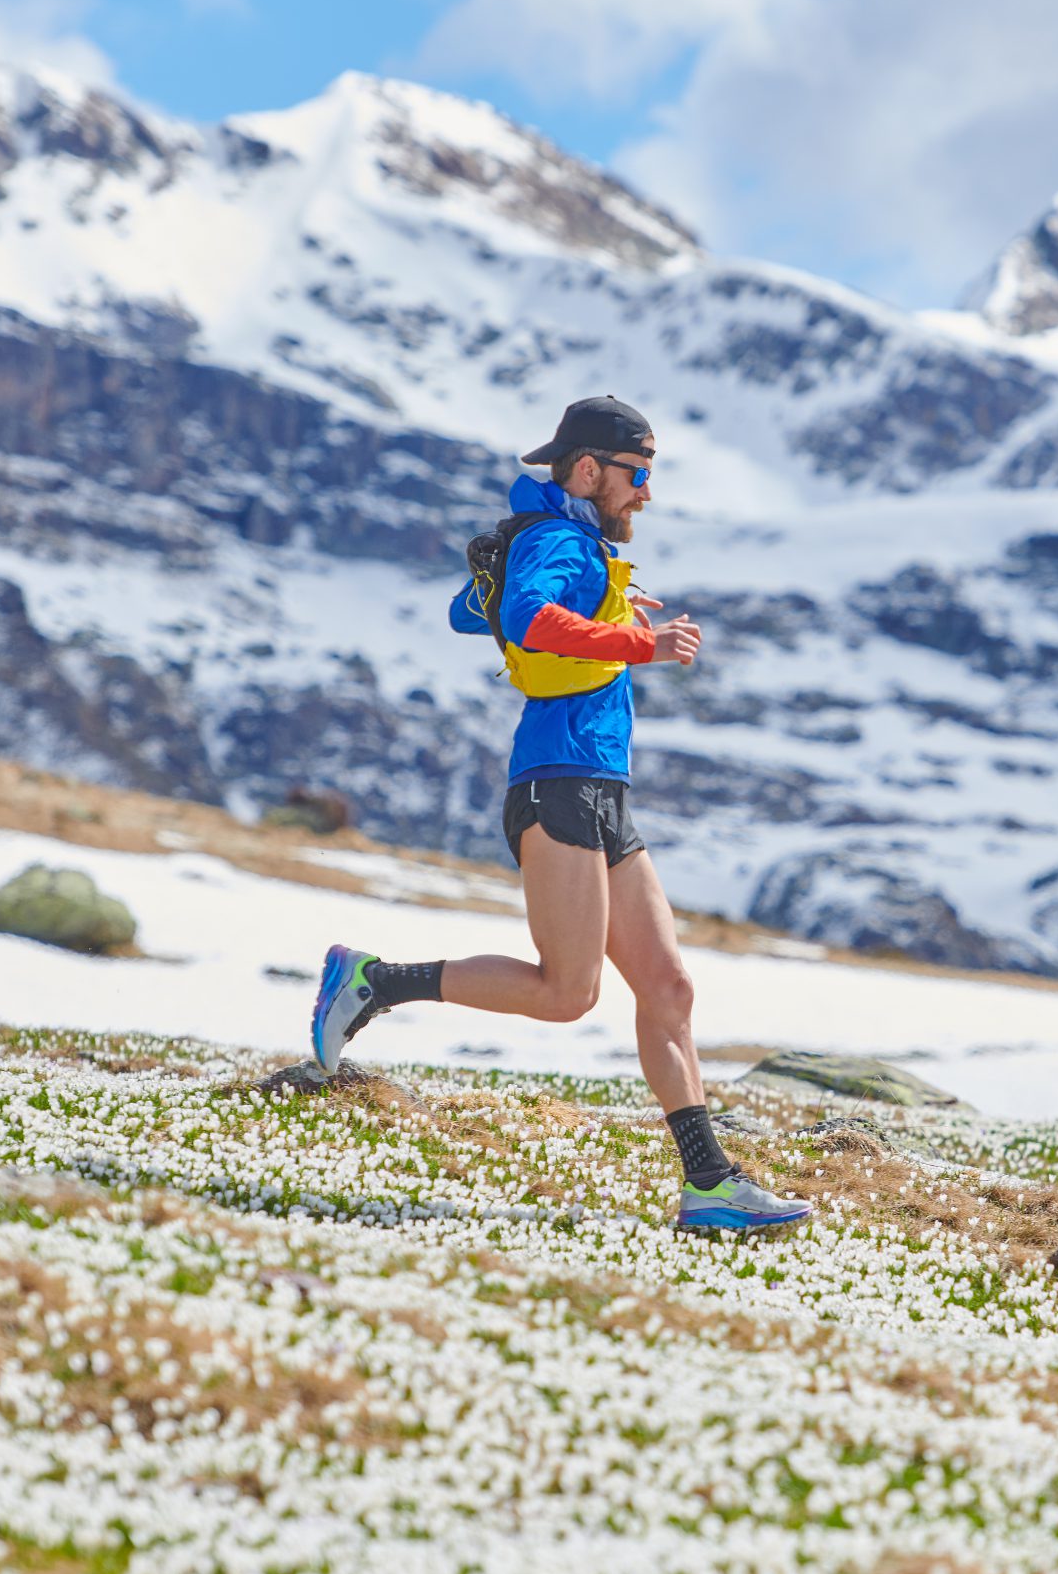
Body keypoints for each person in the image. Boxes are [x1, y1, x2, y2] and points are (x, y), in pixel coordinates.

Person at [304, 395, 810, 1235]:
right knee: (567, 991)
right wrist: (638, 643)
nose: (646, 492)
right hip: (558, 784)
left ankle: (710, 1183)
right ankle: (372, 982)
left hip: (601, 788)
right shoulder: (557, 539)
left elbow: (472, 610)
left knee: (669, 986)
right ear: (586, 470)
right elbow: (525, 618)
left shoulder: (576, 546)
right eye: (636, 474)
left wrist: (605, 612)